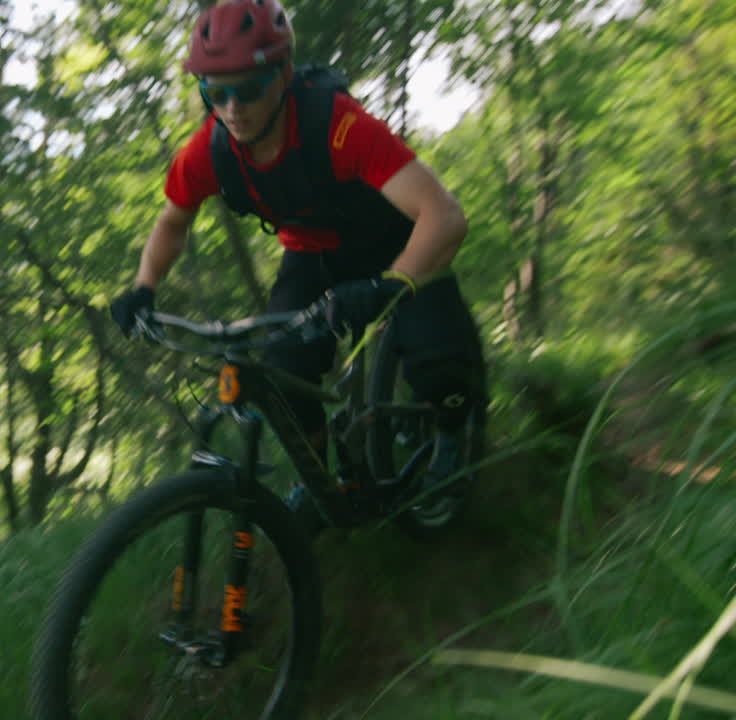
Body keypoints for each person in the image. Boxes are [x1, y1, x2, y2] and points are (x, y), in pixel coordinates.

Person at [110, 0, 484, 514]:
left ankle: (450, 434)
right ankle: (320, 485)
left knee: (441, 363)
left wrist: (392, 284)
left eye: (249, 88)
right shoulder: (211, 152)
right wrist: (143, 289)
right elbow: (172, 222)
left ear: (283, 74)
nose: (233, 107)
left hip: (396, 245)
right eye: (215, 92)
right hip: (312, 256)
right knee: (283, 375)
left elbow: (444, 215)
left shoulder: (339, 127)